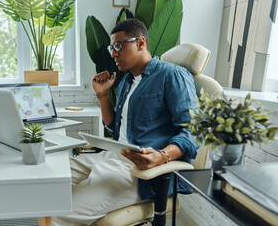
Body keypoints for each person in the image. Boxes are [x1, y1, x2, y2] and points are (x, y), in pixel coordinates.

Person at [52, 18, 198, 226]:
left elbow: (194, 131)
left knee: (57, 213)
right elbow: (116, 128)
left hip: (139, 173)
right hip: (111, 157)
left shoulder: (172, 75)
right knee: (49, 180)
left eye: (119, 45)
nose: (113, 54)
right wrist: (103, 95)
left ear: (140, 43)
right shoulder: (127, 82)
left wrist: (161, 156)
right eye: (112, 47)